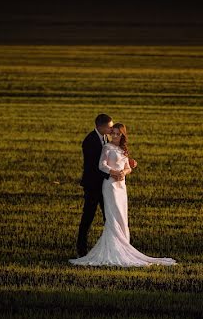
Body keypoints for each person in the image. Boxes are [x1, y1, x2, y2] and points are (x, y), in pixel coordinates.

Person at [70, 123, 176, 267]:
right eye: (112, 132)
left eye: (117, 133)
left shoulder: (123, 149)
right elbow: (102, 165)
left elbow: (127, 167)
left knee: (122, 215)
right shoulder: (107, 147)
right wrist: (114, 173)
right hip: (111, 186)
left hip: (121, 186)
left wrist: (124, 172)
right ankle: (113, 249)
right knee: (113, 215)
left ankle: (124, 246)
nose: (114, 135)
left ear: (122, 135)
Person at [76, 113, 117, 257]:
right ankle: (81, 249)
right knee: (88, 217)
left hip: (104, 185)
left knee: (109, 216)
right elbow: (93, 166)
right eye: (110, 127)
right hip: (93, 186)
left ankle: (112, 246)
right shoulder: (90, 141)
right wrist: (111, 174)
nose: (112, 130)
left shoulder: (106, 138)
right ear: (101, 126)